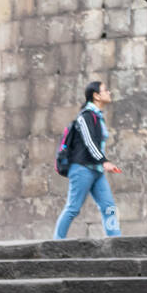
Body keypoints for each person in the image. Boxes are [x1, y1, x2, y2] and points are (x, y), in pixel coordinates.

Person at [54, 80, 122, 239]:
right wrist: (104, 161)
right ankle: (57, 241)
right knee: (73, 208)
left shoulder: (98, 116)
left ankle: (116, 239)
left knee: (109, 207)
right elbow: (89, 141)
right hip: (82, 169)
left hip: (96, 170)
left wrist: (101, 163)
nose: (109, 93)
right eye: (106, 90)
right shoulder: (85, 116)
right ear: (96, 96)